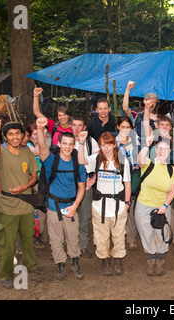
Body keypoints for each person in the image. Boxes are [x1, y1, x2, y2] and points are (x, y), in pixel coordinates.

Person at [0, 119, 41, 289]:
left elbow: (34, 175)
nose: (15, 137)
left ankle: (31, 266)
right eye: (10, 134)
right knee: (7, 243)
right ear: (5, 137)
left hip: (26, 204)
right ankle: (6, 274)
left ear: (22, 136)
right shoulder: (2, 154)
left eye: (17, 133)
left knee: (28, 239)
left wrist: (25, 187)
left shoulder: (27, 153)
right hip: (7, 206)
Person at [36, 117, 86, 280]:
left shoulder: (77, 164)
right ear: (59, 144)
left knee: (73, 236)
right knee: (56, 238)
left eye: (70, 144)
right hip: (53, 205)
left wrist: (75, 206)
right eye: (64, 144)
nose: (67, 147)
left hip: (71, 206)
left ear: (74, 146)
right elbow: (42, 147)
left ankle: (75, 261)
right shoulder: (52, 161)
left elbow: (82, 187)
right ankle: (60, 264)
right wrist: (39, 128)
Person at [78, 131, 131, 276]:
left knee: (119, 235)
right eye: (103, 145)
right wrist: (81, 143)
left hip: (118, 206)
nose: (106, 148)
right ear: (100, 146)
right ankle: (105, 260)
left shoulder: (122, 161)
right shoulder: (96, 158)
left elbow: (127, 183)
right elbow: (81, 161)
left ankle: (118, 259)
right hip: (99, 206)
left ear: (114, 144)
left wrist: (127, 203)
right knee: (101, 236)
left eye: (109, 145)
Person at [135, 135, 174, 276]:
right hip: (144, 205)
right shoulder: (148, 164)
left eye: (165, 149)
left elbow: (172, 190)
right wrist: (146, 145)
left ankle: (160, 260)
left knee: (162, 232)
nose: (162, 151)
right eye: (159, 148)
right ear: (155, 150)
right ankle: (150, 260)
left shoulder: (171, 170)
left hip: (162, 206)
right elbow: (139, 160)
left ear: (169, 151)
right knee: (146, 232)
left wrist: (165, 205)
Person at [70, 115, 100, 258]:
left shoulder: (90, 141)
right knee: (69, 214)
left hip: (86, 183)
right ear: (70, 126)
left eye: (80, 125)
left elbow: (99, 162)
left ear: (84, 127)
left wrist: (94, 179)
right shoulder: (65, 141)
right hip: (69, 184)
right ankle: (69, 244)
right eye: (74, 125)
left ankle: (83, 243)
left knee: (84, 214)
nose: (77, 128)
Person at [116, 116, 140, 251]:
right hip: (116, 179)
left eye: (128, 127)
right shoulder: (112, 143)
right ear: (118, 127)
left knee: (130, 208)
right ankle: (118, 237)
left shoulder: (134, 142)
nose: (125, 129)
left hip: (132, 179)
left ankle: (131, 238)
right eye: (122, 127)